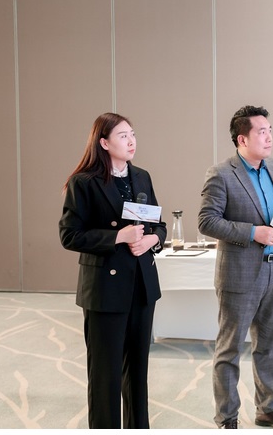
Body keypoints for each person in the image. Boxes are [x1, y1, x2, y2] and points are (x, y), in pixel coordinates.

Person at [59, 112, 166, 428]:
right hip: (105, 289)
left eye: (132, 134)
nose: (131, 141)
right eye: (122, 135)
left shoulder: (142, 176)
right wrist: (119, 236)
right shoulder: (84, 183)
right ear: (104, 143)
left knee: (138, 372)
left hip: (141, 286)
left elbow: (158, 224)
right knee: (105, 376)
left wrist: (151, 240)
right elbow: (70, 235)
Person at [198, 105, 273, 429]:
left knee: (267, 346)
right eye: (261, 132)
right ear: (242, 139)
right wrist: (253, 232)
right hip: (239, 274)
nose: (269, 137)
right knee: (229, 350)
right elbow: (207, 221)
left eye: (270, 130)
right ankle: (227, 417)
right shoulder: (221, 174)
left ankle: (268, 408)